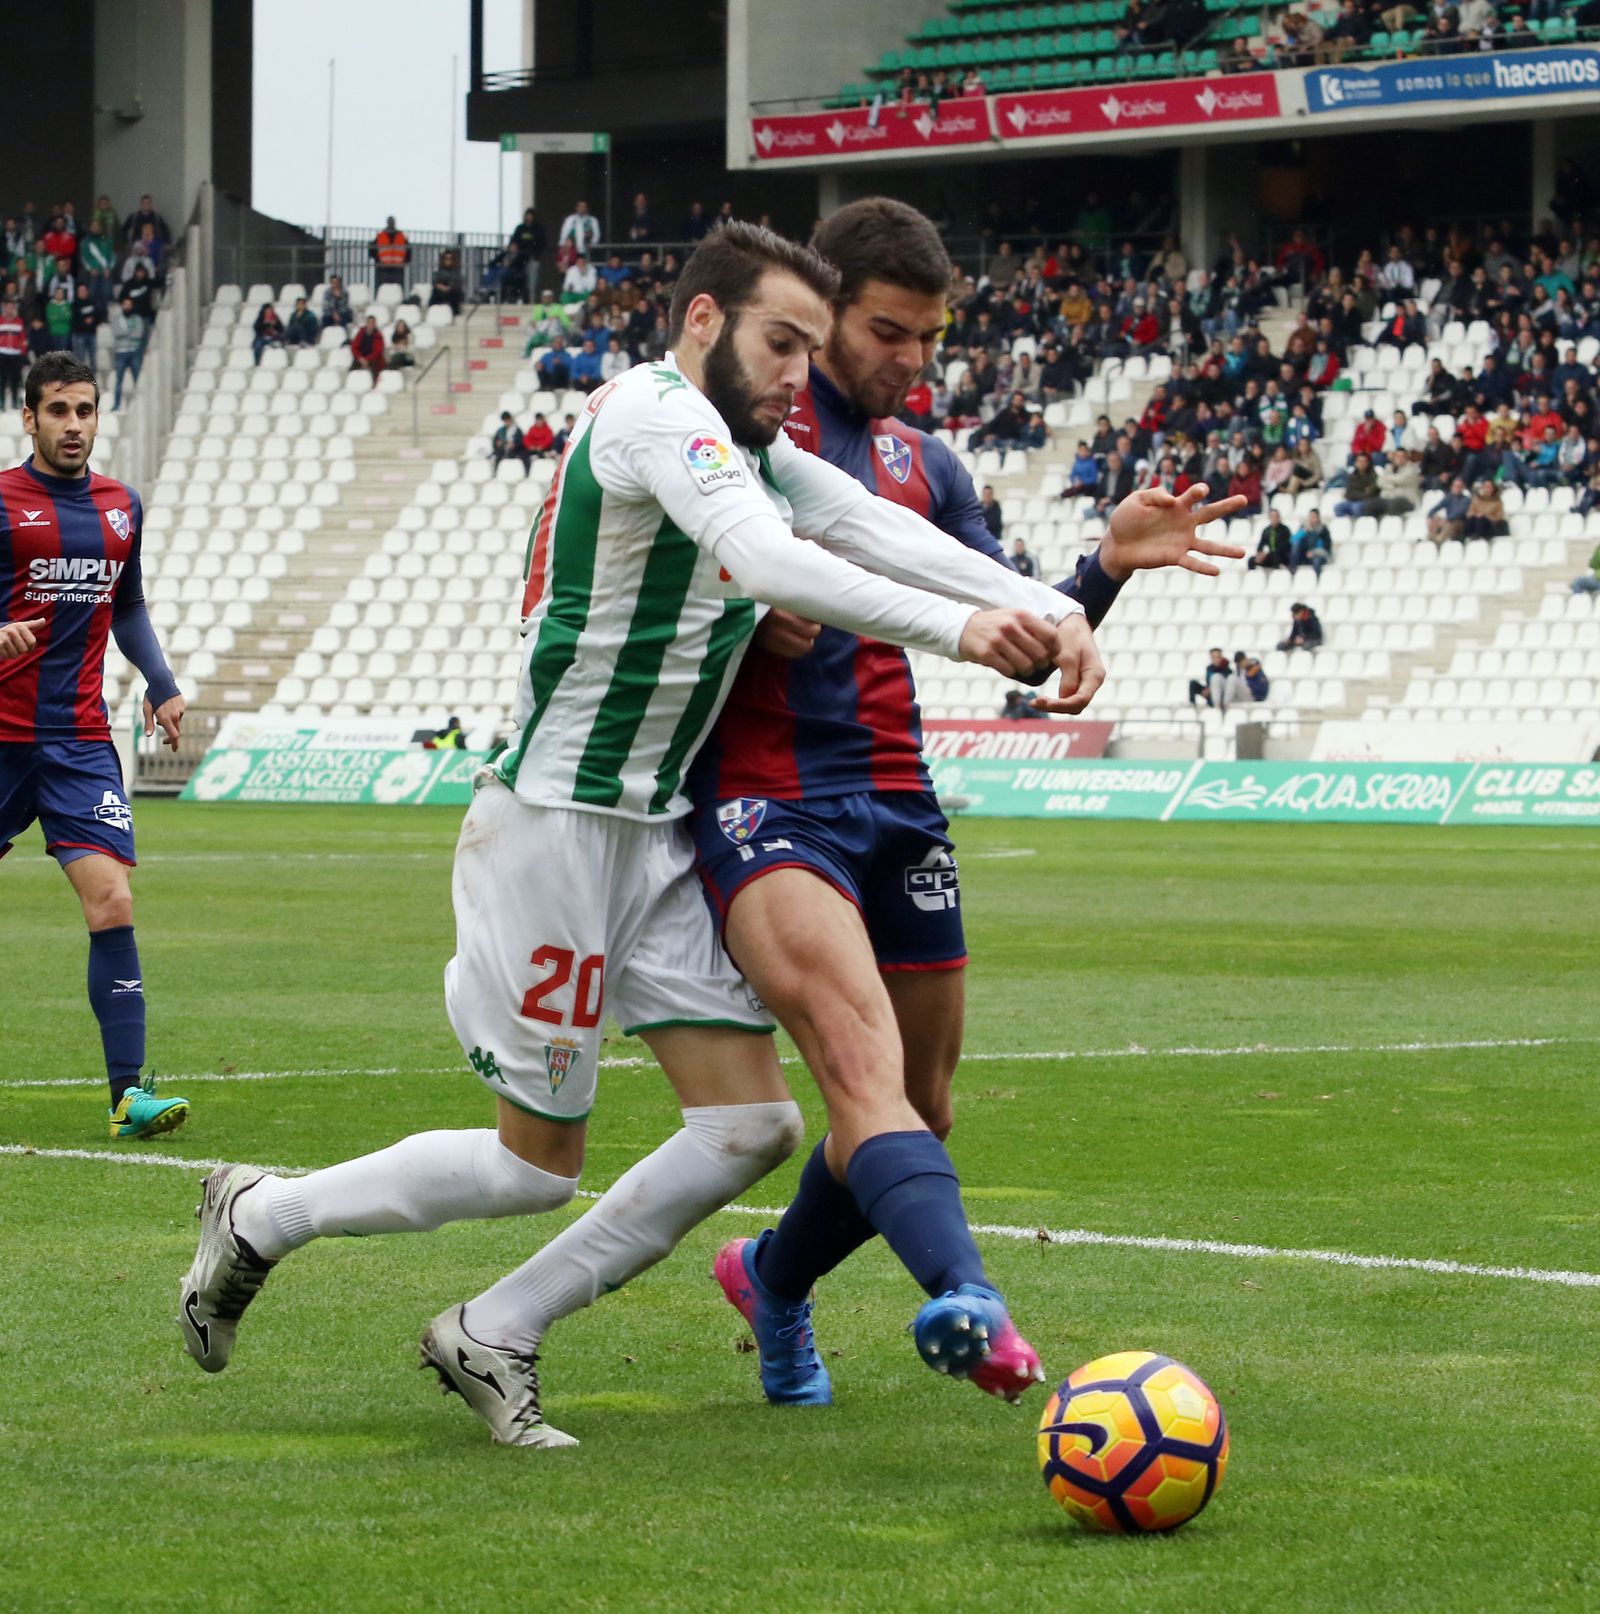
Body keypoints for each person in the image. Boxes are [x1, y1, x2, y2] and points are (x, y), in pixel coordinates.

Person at [175, 220, 1102, 1445]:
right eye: (780, 343)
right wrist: (967, 633)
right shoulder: (655, 416)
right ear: (703, 320)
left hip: (653, 835)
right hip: (552, 831)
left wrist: (1047, 607)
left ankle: (496, 1329)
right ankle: (262, 1215)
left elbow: (876, 526)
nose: (797, 374)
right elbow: (768, 559)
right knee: (532, 1168)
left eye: (809, 349)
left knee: (751, 1126)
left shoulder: (749, 443)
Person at [0, 351, 188, 1138]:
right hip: (1, 735)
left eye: (85, 410)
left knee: (112, 900)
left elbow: (128, 604)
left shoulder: (121, 506)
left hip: (78, 741)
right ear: (30, 419)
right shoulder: (2, 500)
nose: (73, 425)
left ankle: (127, 1097)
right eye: (58, 411)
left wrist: (160, 680)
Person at [108, 296, 145, 410]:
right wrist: (130, 332)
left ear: (132, 306)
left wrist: (125, 333)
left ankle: (141, 404)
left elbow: (138, 334)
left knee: (138, 379)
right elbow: (116, 332)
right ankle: (116, 404)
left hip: (134, 351)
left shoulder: (137, 318)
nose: (127, 307)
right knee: (119, 380)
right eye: (125, 304)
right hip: (121, 352)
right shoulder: (116, 319)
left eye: (129, 305)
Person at [1425, 478, 1471, 547]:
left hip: (1459, 523)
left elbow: (1460, 513)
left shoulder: (1466, 500)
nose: (1457, 488)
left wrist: (1448, 519)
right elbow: (1438, 506)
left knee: (1451, 523)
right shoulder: (1449, 497)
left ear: (1462, 488)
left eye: (1459, 486)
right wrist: (1430, 515)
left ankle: (1439, 540)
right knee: (1435, 519)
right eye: (1455, 486)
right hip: (1448, 520)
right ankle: (1430, 538)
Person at [370, 216, 411, 290]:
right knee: (387, 290)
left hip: (394, 269)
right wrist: (378, 261)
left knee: (391, 290)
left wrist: (404, 262)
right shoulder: (400, 236)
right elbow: (372, 251)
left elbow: (408, 251)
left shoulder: (401, 236)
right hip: (386, 269)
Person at [556, 201, 601, 268]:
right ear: (576, 208)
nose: (582, 208)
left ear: (587, 208)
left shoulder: (592, 220)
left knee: (586, 267)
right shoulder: (570, 219)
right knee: (570, 267)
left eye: (584, 206)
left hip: (587, 248)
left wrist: (592, 245)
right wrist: (562, 245)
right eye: (580, 206)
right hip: (572, 248)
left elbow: (596, 234)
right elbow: (564, 233)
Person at [1289, 509, 1332, 577]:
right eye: (1311, 517)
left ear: (1318, 518)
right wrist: (1304, 531)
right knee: (1296, 545)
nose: (1312, 519)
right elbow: (1293, 540)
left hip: (1317, 555)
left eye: (1314, 517)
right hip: (1304, 556)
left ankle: (1317, 579)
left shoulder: (1323, 530)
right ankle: (1292, 571)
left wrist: (1313, 552)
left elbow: (1327, 549)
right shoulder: (1304, 528)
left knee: (1317, 561)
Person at [350, 314, 385, 385]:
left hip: (373, 359)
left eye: (373, 323)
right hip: (361, 358)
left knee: (376, 367)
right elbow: (354, 347)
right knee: (353, 367)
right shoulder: (361, 333)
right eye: (369, 322)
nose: (371, 324)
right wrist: (360, 358)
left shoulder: (378, 335)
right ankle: (352, 383)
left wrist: (367, 359)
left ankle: (375, 385)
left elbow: (378, 351)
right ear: (367, 323)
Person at [251, 301, 284, 366]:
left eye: (270, 310)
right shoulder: (261, 318)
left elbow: (281, 329)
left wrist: (276, 324)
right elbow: (256, 328)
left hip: (273, 337)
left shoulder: (275, 317)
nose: (268, 312)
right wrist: (264, 324)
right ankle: (257, 363)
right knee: (258, 345)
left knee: (278, 343)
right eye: (267, 310)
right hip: (262, 338)